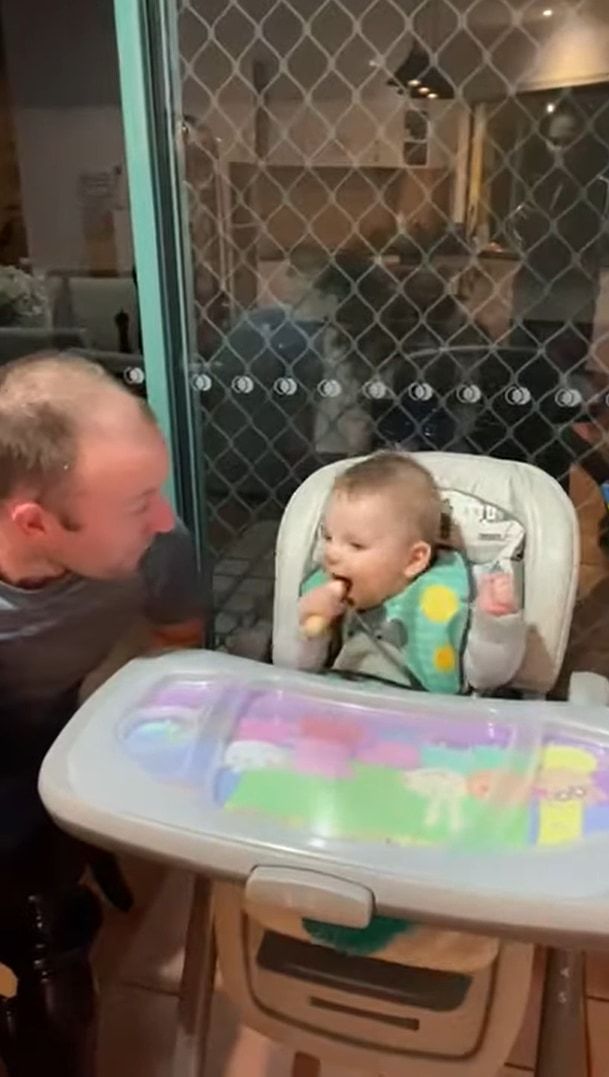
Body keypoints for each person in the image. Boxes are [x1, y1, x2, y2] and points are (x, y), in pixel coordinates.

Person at [0, 353, 205, 1076]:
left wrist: (105, 729)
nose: (164, 518)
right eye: (134, 504)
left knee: (43, 946)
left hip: (42, 760)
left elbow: (177, 646)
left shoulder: (158, 552)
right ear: (34, 522)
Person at [297, 452, 525, 693]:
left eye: (356, 545)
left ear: (413, 559)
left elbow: (488, 678)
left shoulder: (447, 593)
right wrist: (309, 625)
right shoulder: (326, 594)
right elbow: (297, 670)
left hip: (422, 711)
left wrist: (494, 626)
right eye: (328, 537)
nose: (331, 553)